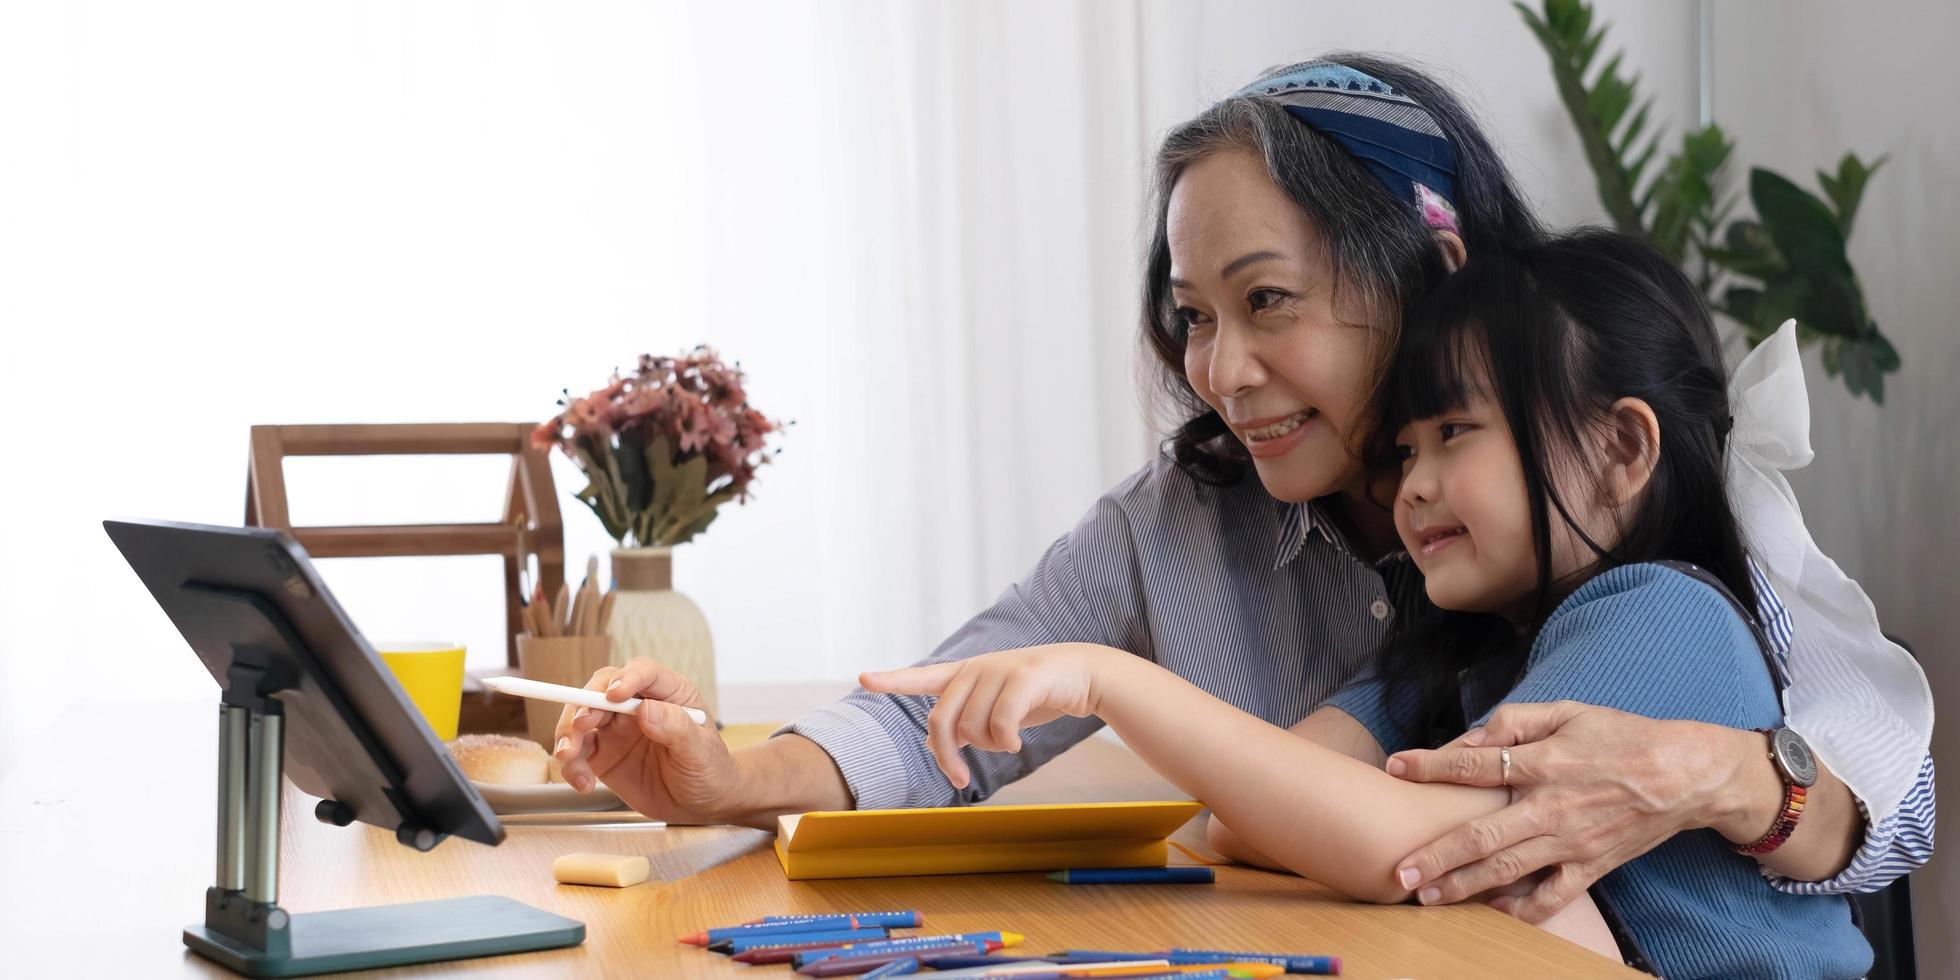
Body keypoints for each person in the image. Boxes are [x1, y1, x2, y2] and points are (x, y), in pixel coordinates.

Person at [551, 56, 1933, 924]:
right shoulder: (1212, 524)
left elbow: (1894, 790)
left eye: (1265, 301)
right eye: (1193, 317)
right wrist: (732, 780)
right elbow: (963, 705)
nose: (1220, 368)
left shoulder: (1638, 554)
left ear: (1423, 272)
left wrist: (1734, 777)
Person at [863, 228, 1874, 975]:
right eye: (1402, 448)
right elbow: (1245, 816)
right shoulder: (1470, 655)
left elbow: (1411, 847)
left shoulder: (1661, 617)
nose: (1410, 484)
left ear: (1621, 449)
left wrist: (1106, 679)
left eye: (1454, 433)